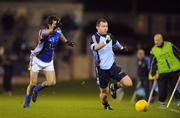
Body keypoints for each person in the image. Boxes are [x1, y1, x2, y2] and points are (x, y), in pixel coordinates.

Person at [23, 15, 74, 108]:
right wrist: (53, 28)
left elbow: (60, 34)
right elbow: (48, 33)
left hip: (48, 61)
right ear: (49, 24)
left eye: (58, 24)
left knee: (52, 82)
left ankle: (36, 90)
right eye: (55, 24)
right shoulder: (42, 32)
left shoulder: (58, 31)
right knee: (32, 83)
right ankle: (26, 102)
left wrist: (67, 42)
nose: (57, 26)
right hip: (37, 60)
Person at [90, 18, 133, 110]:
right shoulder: (94, 37)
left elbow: (115, 42)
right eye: (103, 26)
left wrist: (121, 48)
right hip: (101, 69)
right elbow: (95, 47)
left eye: (106, 26)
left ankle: (114, 86)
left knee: (129, 83)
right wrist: (106, 41)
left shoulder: (110, 36)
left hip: (112, 66)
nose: (105, 28)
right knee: (104, 94)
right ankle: (105, 104)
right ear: (97, 27)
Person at [150, 33, 180, 107]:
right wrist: (153, 74)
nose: (156, 42)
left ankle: (179, 100)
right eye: (155, 40)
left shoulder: (169, 45)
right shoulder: (153, 50)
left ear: (162, 39)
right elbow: (153, 63)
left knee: (176, 86)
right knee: (162, 88)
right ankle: (162, 102)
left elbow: (178, 54)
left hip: (174, 70)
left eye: (158, 40)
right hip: (163, 72)